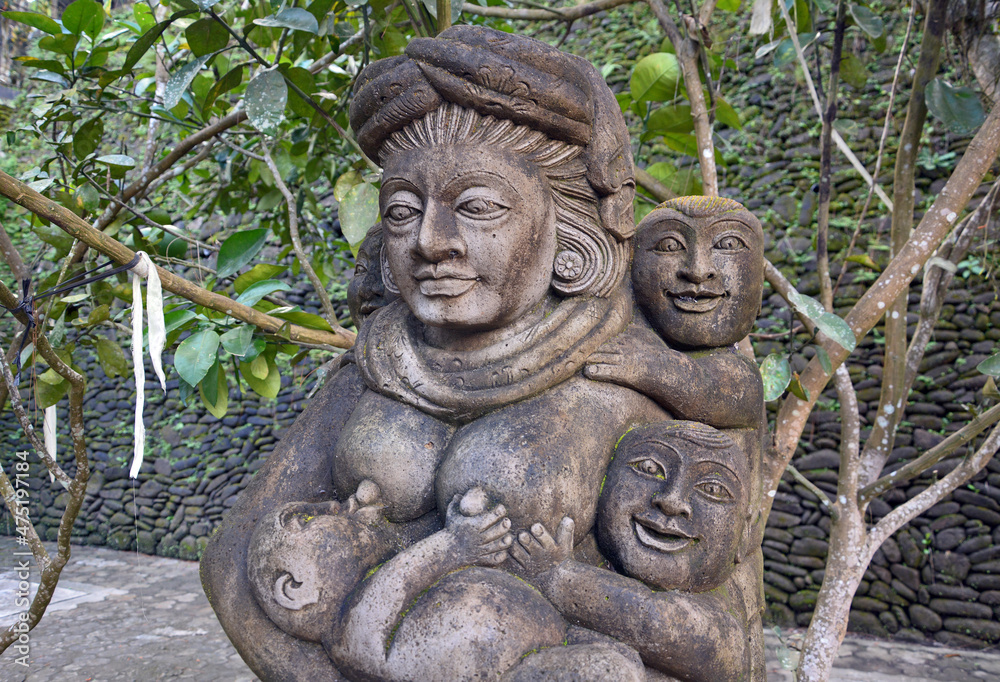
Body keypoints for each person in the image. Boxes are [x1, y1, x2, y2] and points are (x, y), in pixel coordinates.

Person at [201, 26, 762, 682]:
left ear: (568, 231)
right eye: (404, 212)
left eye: (477, 207)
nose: (431, 243)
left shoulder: (637, 375)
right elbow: (232, 565)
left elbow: (712, 641)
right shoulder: (380, 367)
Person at [507, 421, 760, 682]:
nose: (672, 501)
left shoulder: (720, 618)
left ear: (746, 534)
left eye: (712, 490)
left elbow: (661, 623)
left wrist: (558, 577)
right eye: (649, 469)